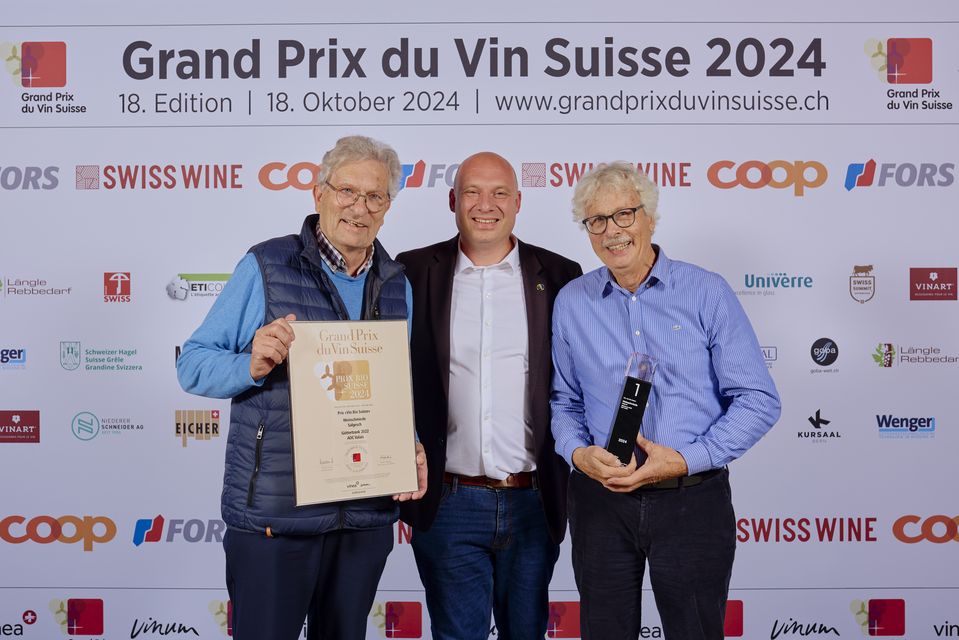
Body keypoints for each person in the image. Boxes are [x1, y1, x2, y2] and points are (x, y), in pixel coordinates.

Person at [176, 135, 427, 640]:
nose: (359, 207)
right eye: (347, 191)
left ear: (388, 207)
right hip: (278, 519)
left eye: (375, 196)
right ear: (319, 193)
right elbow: (193, 364)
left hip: (363, 518)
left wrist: (411, 446)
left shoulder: (398, 283)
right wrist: (251, 363)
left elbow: (394, 391)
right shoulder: (267, 266)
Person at [550, 162, 781, 640]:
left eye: (624, 214)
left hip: (691, 498)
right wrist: (577, 453)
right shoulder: (572, 301)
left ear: (650, 218)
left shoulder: (706, 292)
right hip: (600, 502)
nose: (612, 231)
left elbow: (758, 399)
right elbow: (563, 401)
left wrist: (686, 459)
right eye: (597, 220)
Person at [397, 151, 582, 640]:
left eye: (500, 193)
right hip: (447, 502)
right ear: (452, 200)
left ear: (518, 202)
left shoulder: (560, 274)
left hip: (533, 500)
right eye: (472, 192)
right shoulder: (411, 271)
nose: (486, 205)